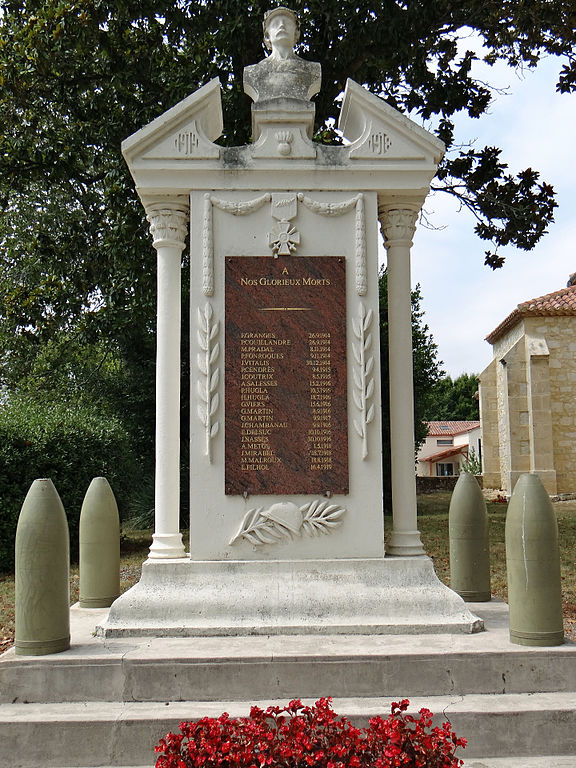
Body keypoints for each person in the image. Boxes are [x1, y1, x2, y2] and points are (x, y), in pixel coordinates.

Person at [243, 7, 321, 103]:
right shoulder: (253, 73)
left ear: (296, 33)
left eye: (287, 23)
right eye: (276, 24)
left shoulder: (312, 70)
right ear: (267, 36)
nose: (282, 26)